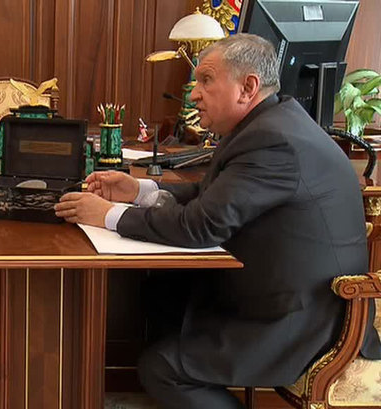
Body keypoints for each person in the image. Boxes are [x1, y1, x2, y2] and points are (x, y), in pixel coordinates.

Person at [55, 33, 381, 408]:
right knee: (158, 293)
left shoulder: (274, 141)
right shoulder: (267, 124)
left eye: (206, 80)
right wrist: (139, 190)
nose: (194, 94)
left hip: (303, 321)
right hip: (281, 292)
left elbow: (202, 226)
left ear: (248, 87)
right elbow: (212, 195)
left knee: (160, 367)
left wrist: (108, 215)